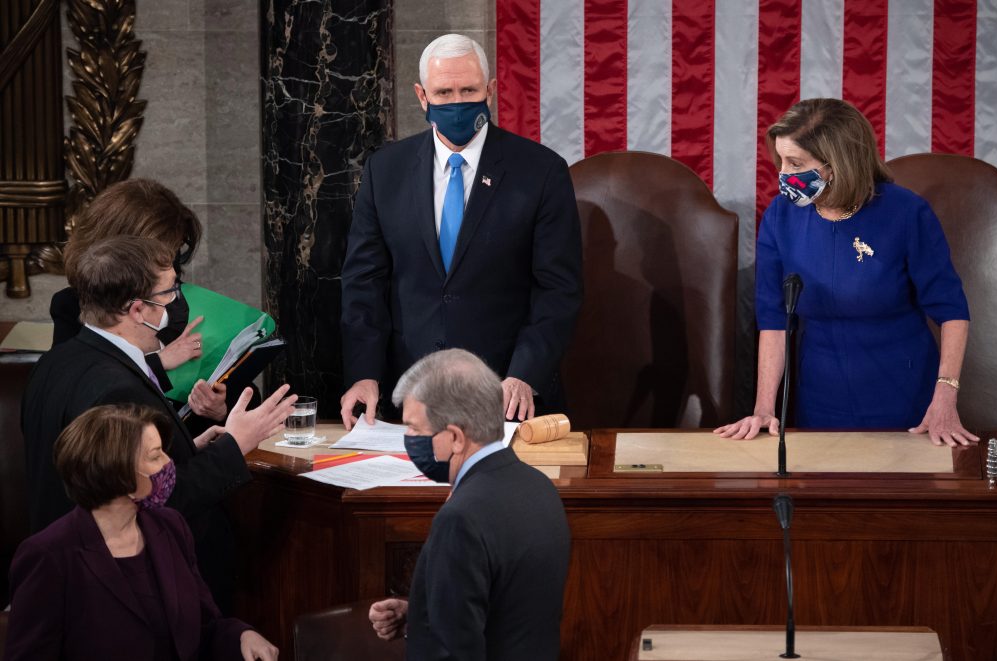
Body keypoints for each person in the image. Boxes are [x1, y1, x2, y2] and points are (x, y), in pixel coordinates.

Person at [21, 235, 297, 609]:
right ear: (137, 310)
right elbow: (159, 503)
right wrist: (235, 445)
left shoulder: (58, 361)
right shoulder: (117, 391)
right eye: (169, 294)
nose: (176, 304)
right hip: (126, 593)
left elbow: (112, 471)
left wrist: (188, 447)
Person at [339, 33, 582, 428]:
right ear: (422, 96)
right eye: (444, 92)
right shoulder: (385, 171)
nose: (456, 103)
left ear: (490, 91)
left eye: (468, 90)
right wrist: (364, 373)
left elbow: (559, 290)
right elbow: (363, 282)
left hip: (507, 398)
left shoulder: (540, 172)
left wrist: (525, 374)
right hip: (413, 399)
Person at [716, 98, 977, 446]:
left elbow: (952, 310)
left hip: (906, 396)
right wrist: (764, 408)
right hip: (821, 397)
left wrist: (945, 396)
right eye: (780, 160)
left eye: (794, 163)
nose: (782, 174)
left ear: (836, 164)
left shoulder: (906, 212)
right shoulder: (780, 217)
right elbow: (774, 320)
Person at [5, 404, 279, 660]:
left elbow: (205, 625)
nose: (168, 463)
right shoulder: (48, 556)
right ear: (117, 474)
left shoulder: (170, 525)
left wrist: (241, 635)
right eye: (155, 455)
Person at [367, 349, 570, 660]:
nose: (408, 439)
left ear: (456, 438)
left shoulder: (461, 519)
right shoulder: (539, 486)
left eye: (415, 429)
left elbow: (451, 653)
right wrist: (420, 612)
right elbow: (507, 612)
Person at [51, 178, 233, 422]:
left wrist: (220, 409)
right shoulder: (69, 307)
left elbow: (239, 391)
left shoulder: (175, 302)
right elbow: (83, 407)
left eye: (173, 255)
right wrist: (158, 363)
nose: (174, 271)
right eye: (160, 256)